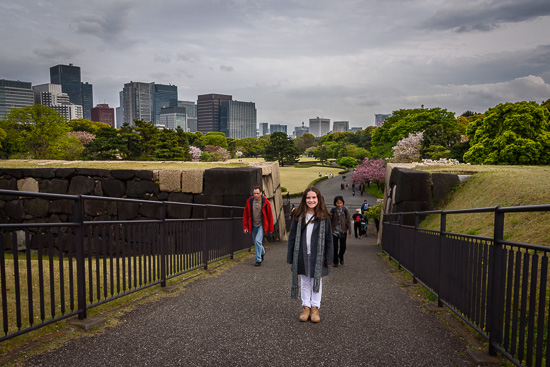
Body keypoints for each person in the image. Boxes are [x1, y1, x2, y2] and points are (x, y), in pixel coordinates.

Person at [287, 187, 333, 323]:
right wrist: (290, 256)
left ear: (318, 199)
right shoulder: (298, 215)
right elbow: (292, 237)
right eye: (308, 198)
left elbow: (329, 239)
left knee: (316, 280)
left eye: (314, 197)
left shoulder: (324, 217)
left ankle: (315, 308)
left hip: (318, 255)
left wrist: (329, 258)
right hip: (301, 254)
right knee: (305, 280)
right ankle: (306, 307)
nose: (311, 200)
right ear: (304, 199)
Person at [243, 186, 274, 266]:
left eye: (257, 193)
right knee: (257, 243)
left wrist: (271, 228)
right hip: (253, 225)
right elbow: (245, 214)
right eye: (254, 193)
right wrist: (245, 226)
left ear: (261, 193)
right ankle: (263, 252)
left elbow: (270, 215)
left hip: (261, 225)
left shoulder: (266, 202)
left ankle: (258, 260)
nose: (255, 195)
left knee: (257, 241)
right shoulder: (249, 201)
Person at [330, 196, 352, 267]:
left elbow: (348, 221)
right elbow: (329, 221)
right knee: (334, 247)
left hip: (343, 231)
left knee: (343, 247)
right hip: (334, 231)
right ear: (335, 203)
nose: (339, 204)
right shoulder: (333, 210)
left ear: (343, 203)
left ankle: (341, 256)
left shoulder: (345, 210)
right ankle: (335, 261)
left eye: (340, 203)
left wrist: (350, 232)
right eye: (337, 203)